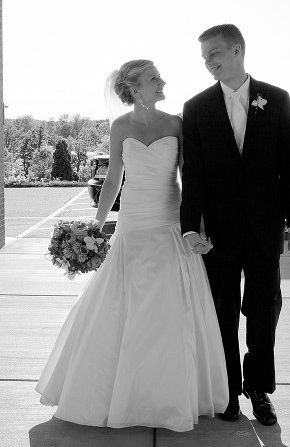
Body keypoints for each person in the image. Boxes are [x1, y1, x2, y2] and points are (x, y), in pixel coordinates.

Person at [35, 60, 228, 432]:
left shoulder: (176, 124)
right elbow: (113, 180)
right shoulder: (120, 127)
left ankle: (168, 394)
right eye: (155, 78)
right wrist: (95, 226)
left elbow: (190, 177)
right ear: (136, 88)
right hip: (133, 224)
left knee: (171, 309)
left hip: (170, 223)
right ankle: (119, 395)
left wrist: (197, 226)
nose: (162, 81)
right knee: (120, 306)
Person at [180, 24, 290, 426]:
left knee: (263, 312)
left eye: (215, 54)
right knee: (222, 313)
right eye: (204, 57)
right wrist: (190, 226)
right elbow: (193, 173)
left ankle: (259, 389)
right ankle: (228, 391)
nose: (208, 63)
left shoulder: (277, 98)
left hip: (265, 229)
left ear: (237, 50)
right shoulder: (196, 107)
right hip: (217, 234)